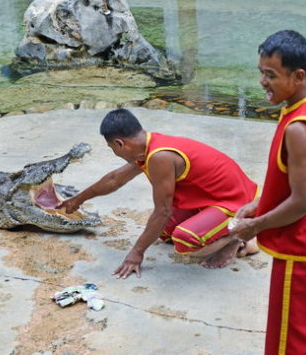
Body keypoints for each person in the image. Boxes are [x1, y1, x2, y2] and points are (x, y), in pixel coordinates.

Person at [230, 30, 306, 355]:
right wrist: (259, 204)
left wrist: (256, 226)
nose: (263, 82)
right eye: (261, 72)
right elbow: (303, 183)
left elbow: (303, 202)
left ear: (298, 75)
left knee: (289, 346)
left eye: (271, 75)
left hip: (300, 255)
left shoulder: (299, 128)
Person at [58, 108, 260, 278]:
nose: (115, 153)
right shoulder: (147, 146)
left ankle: (238, 237)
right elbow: (115, 179)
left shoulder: (159, 157)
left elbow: (162, 211)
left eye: (112, 148)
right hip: (210, 199)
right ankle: (226, 230)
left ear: (120, 143)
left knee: (184, 242)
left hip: (237, 203)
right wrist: (78, 199)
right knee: (165, 233)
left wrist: (136, 253)